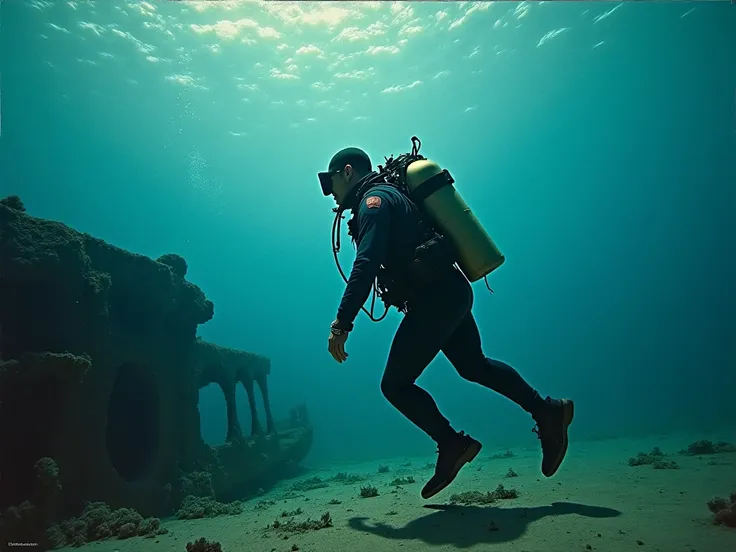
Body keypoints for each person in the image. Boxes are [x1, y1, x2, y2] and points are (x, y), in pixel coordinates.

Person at [317, 146, 574, 500]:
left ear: (347, 172)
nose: (330, 193)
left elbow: (366, 261)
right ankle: (548, 411)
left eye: (329, 182)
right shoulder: (391, 195)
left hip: (436, 298)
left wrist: (341, 323)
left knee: (395, 385)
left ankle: (452, 444)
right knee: (473, 365)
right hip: (450, 292)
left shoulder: (373, 201)